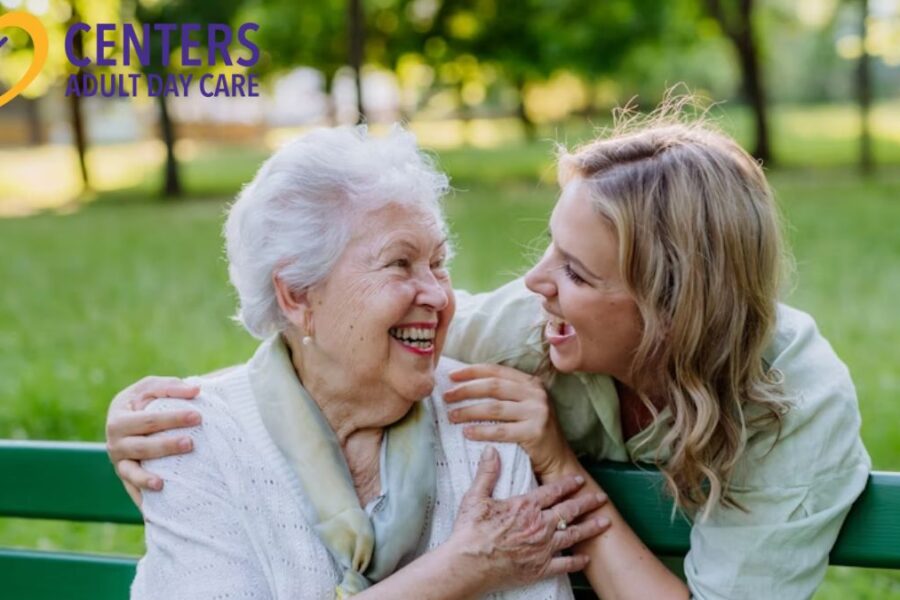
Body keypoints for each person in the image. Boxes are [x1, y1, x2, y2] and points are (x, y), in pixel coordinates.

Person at [108, 101, 870, 599]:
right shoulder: (521, 332)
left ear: (670, 308)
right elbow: (347, 343)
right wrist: (154, 421)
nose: (533, 282)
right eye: (550, 250)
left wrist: (557, 464)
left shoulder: (796, 405)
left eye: (574, 272)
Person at [121, 125, 611, 600]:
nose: (438, 294)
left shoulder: (484, 421)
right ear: (296, 295)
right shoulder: (192, 437)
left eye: (438, 262)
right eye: (400, 263)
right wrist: (463, 569)